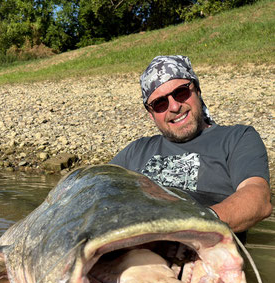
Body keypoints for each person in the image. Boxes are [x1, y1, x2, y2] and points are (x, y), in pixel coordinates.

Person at [110, 55, 272, 237]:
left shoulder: (237, 138)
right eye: (160, 103)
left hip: (200, 250)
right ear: (151, 113)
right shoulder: (136, 151)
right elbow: (95, 190)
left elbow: (258, 196)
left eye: (181, 93)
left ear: (198, 90)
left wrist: (192, 224)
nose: (174, 107)